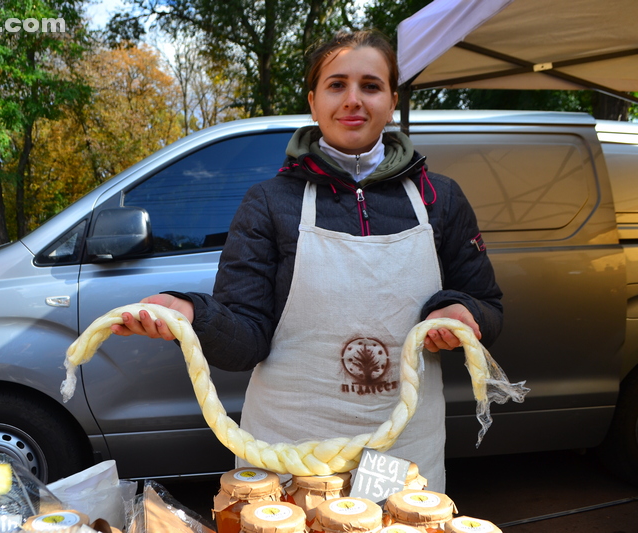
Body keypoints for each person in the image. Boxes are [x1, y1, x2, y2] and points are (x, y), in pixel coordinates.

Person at [111, 29, 503, 493]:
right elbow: (246, 339)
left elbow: (489, 308)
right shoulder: (270, 202)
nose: (353, 100)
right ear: (314, 102)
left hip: (399, 453)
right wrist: (194, 314)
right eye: (337, 85)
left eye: (370, 86)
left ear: (391, 101)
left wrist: (463, 313)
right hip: (287, 448)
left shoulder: (441, 199)